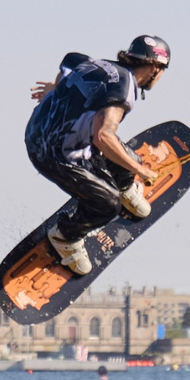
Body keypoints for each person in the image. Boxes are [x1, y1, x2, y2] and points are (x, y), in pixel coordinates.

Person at [25, 35, 173, 276]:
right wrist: (141, 171)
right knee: (108, 205)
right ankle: (65, 237)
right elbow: (103, 137)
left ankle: (124, 188)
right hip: (53, 156)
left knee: (126, 158)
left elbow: (69, 60)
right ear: (155, 68)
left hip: (35, 133)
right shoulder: (123, 89)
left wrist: (56, 88)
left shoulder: (99, 64)